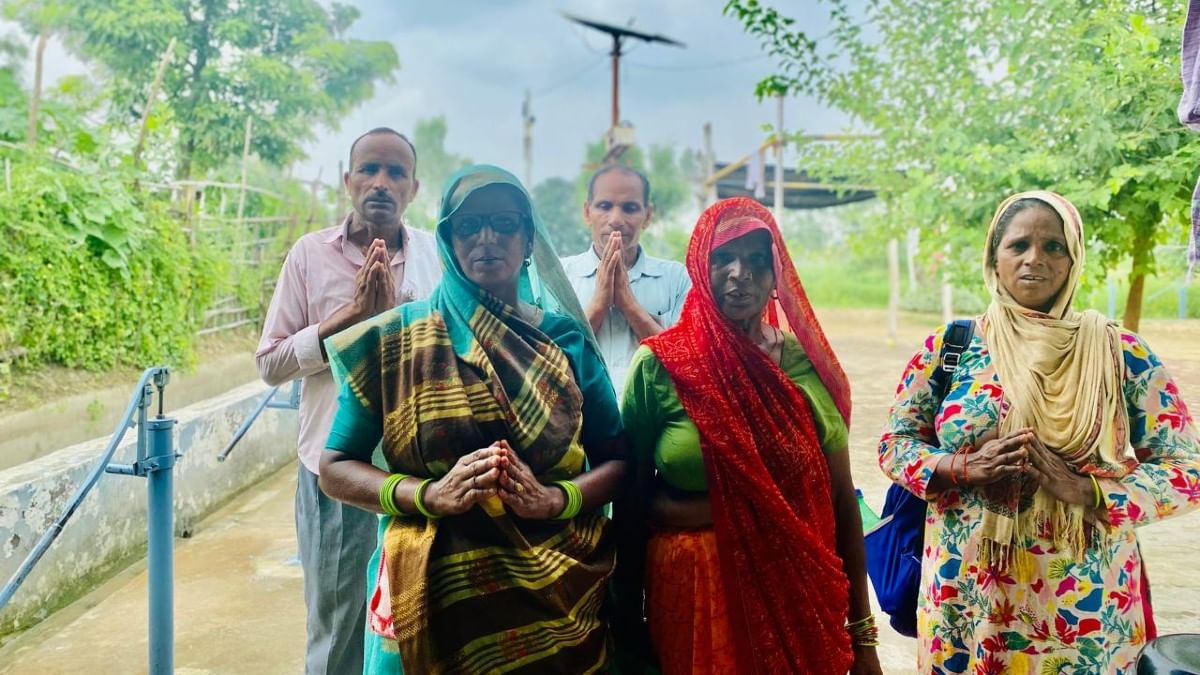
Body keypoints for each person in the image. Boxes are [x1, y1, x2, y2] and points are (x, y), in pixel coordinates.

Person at [318, 164, 630, 674]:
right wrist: (427, 495)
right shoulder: (399, 338)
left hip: (556, 601)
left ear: (529, 239)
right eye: (468, 226)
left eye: (505, 224)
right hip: (431, 594)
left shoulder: (564, 340)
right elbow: (334, 466)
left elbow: (618, 461)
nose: (488, 238)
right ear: (448, 240)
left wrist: (556, 499)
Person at [878, 191, 1200, 673]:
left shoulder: (1119, 352)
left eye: (1054, 247)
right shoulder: (951, 348)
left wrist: (1090, 490)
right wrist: (960, 466)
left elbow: (1187, 471)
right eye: (1018, 245)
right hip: (967, 595)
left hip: (1084, 601)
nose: (1035, 259)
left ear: (1074, 258)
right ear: (994, 257)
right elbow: (895, 445)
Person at [614, 197, 883, 674]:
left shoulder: (805, 366)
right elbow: (633, 503)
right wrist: (627, 627)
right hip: (692, 599)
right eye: (724, 257)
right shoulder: (660, 366)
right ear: (700, 262)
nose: (741, 273)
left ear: (778, 272)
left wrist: (862, 636)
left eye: (759, 259)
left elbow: (840, 501)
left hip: (794, 594)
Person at [256, 128, 440, 674]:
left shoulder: (436, 253)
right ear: (348, 180)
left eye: (395, 173)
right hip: (337, 476)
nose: (381, 183)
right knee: (339, 630)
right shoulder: (310, 254)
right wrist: (348, 319)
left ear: (413, 188)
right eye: (369, 170)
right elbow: (270, 363)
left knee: (417, 628)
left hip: (422, 475)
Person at [561, 165, 690, 397]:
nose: (616, 219)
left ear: (648, 215)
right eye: (604, 206)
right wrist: (598, 305)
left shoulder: (676, 278)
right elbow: (551, 359)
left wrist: (629, 305)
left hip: (653, 424)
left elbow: (684, 361)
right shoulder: (561, 276)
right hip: (583, 425)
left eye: (630, 208)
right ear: (587, 212)